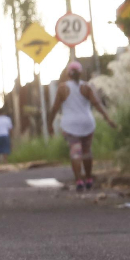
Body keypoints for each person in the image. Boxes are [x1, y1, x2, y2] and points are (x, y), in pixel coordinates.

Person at [47, 61, 116, 192]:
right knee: (87, 151)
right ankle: (89, 179)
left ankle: (79, 181)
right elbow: (97, 104)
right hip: (87, 123)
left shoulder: (62, 88)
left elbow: (55, 108)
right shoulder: (87, 87)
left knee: (75, 152)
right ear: (81, 73)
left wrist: (50, 124)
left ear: (68, 74)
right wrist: (108, 119)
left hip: (70, 125)